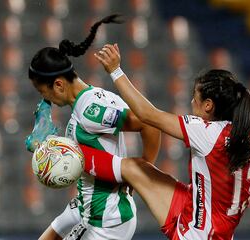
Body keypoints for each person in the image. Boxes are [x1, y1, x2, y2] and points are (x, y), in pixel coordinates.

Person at [72, 43, 250, 239]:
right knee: (136, 167)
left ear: (208, 106)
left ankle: (73, 155)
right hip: (203, 216)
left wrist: (115, 70)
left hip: (195, 234)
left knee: (134, 168)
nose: (191, 102)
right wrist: (228, 191)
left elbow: (147, 115)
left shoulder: (205, 131)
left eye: (195, 97)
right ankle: (73, 154)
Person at [26, 15, 161, 240]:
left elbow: (149, 123)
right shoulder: (86, 102)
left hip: (107, 221)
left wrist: (142, 171)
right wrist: (44, 148)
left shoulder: (91, 110)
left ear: (58, 84)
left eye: (43, 92)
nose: (45, 100)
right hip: (84, 206)